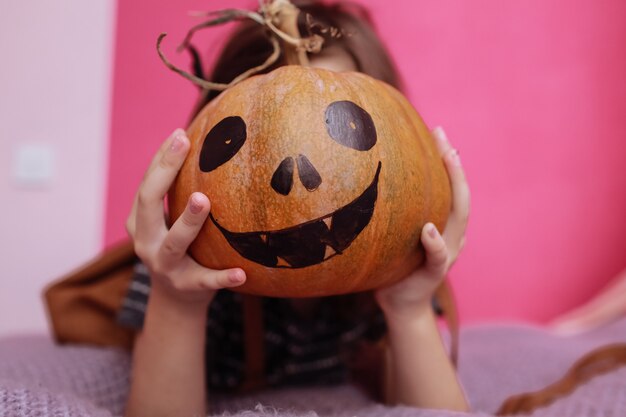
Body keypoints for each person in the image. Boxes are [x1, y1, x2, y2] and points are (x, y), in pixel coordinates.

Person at [122, 1, 471, 416]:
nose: (296, 177)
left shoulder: (393, 262)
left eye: (344, 123)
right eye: (270, 135)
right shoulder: (181, 262)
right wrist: (176, 302)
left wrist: (410, 309)